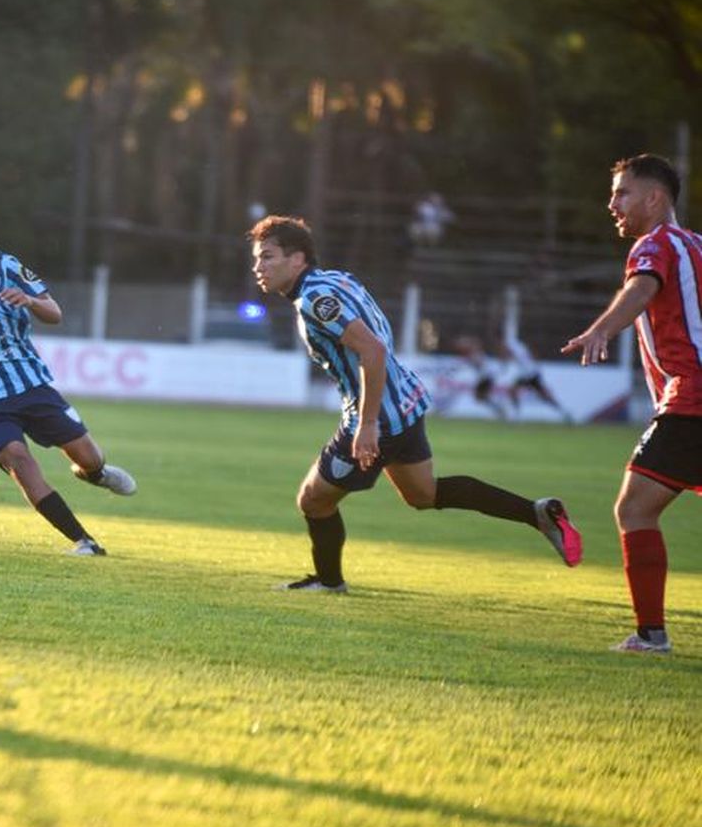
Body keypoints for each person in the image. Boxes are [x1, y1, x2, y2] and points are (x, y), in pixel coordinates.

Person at [247, 214, 582, 592]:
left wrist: (367, 424)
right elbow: (378, 337)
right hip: (406, 403)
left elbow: (371, 351)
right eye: (258, 258)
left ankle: (329, 582)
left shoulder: (314, 299)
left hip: (378, 416)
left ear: (297, 260)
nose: (259, 266)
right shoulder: (337, 279)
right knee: (424, 495)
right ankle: (537, 514)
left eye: (268, 256)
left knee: (313, 500)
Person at [0, 192, 136, 555]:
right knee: (18, 459)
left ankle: (95, 474)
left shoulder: (3, 265)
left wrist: (30, 301)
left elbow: (54, 312)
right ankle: (84, 541)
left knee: (88, 458)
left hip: (28, 382)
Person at [562, 153, 701, 655]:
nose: (612, 203)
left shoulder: (656, 244)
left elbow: (641, 288)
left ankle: (651, 635)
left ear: (654, 198)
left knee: (634, 507)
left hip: (692, 399)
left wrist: (601, 328)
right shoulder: (697, 247)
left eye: (622, 193)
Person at [497, 334, 574, 423]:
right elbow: (526, 353)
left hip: (528, 373)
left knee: (514, 391)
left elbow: (509, 354)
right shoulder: (515, 343)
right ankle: (564, 412)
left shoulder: (509, 344)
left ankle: (515, 415)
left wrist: (503, 364)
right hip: (531, 371)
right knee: (542, 395)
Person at [451, 335, 509, 420]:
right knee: (482, 397)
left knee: (480, 397)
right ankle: (500, 410)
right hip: (486, 378)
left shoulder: (475, 355)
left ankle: (501, 410)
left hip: (485, 378)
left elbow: (479, 364)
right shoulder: (475, 354)